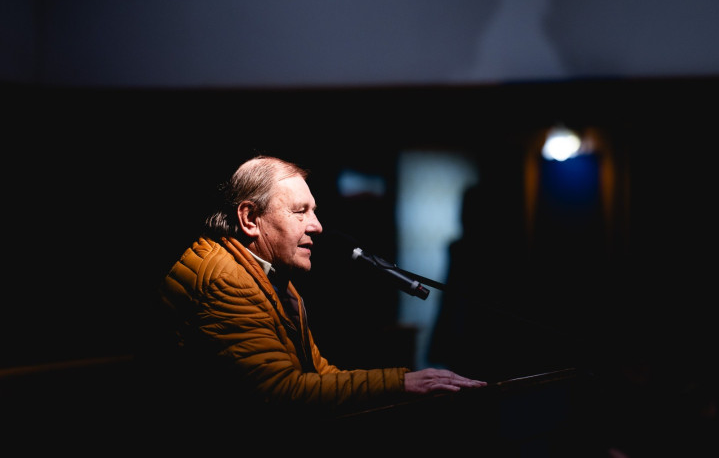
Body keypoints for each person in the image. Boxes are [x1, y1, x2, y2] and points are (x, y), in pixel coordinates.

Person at [153, 154, 486, 423]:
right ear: (250, 218)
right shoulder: (227, 281)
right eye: (300, 212)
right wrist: (401, 383)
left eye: (313, 211)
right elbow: (281, 392)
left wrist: (403, 382)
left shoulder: (269, 277)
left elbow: (316, 374)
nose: (317, 226)